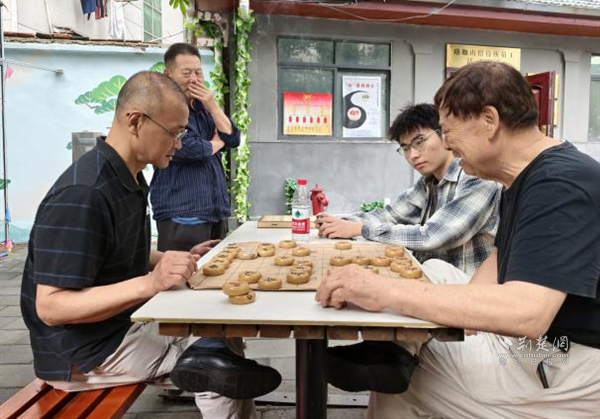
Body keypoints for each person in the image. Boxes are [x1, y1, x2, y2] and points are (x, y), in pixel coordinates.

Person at [317, 61, 600, 417]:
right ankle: (396, 351)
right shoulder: (522, 176)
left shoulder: (559, 184)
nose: (447, 143)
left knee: (407, 378)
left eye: (448, 131)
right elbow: (499, 258)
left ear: (489, 120)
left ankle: (397, 358)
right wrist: (463, 322)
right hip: (537, 345)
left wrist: (383, 292)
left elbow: (528, 313)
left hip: (562, 361)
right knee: (435, 270)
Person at [20, 71, 280, 419]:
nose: (179, 144)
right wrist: (152, 282)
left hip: (119, 326)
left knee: (223, 334)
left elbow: (110, 252)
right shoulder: (84, 193)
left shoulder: (125, 174)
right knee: (215, 368)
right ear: (136, 122)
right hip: (82, 353)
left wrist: (170, 259)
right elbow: (51, 306)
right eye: (175, 132)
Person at [318, 102, 501, 276]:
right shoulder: (428, 183)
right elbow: (391, 215)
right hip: (432, 280)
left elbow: (431, 236)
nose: (413, 155)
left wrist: (360, 229)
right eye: (405, 148)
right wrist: (337, 223)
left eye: (419, 141)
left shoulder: (478, 178)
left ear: (444, 135)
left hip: (469, 287)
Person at [150, 43, 239, 252]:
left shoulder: (203, 106)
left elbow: (233, 137)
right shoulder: (163, 107)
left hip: (214, 210)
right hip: (182, 213)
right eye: (186, 73)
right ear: (168, 74)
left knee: (215, 268)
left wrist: (213, 106)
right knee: (182, 270)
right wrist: (218, 142)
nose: (194, 79)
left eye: (198, 73)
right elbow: (188, 147)